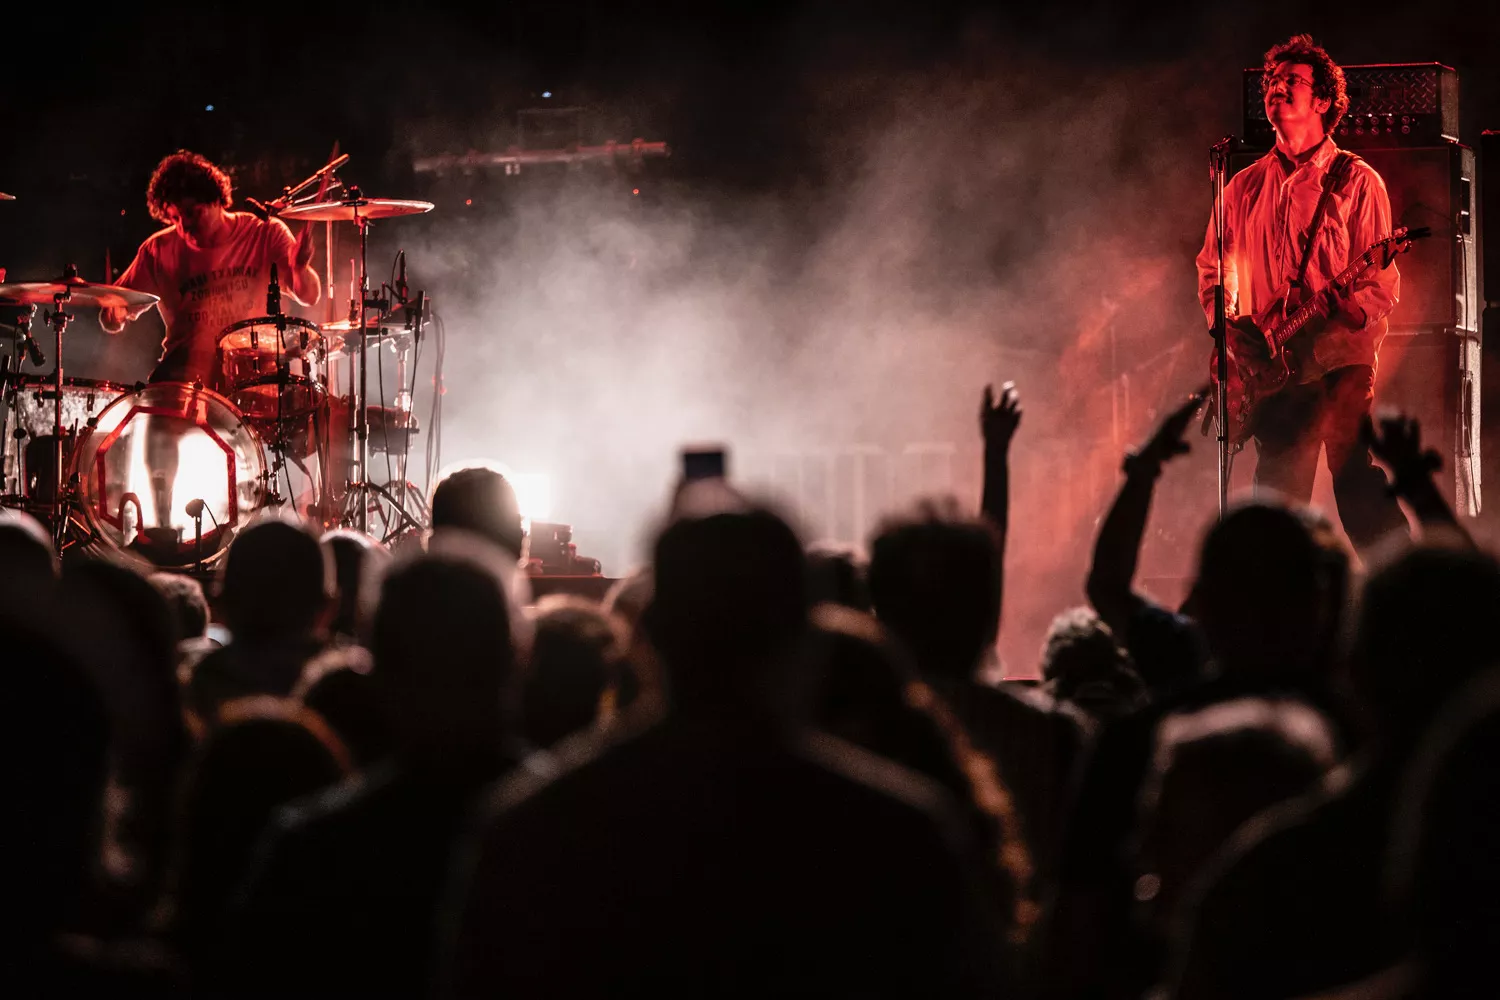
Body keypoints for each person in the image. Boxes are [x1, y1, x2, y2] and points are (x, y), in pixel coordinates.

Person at [1197, 34, 1407, 551]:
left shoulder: (1358, 182)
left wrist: (1351, 309)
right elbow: (1214, 269)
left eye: (1291, 80)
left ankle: (1402, 589)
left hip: (1339, 357)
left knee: (1351, 473)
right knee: (1276, 498)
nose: (1276, 89)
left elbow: (1383, 281)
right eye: (1272, 81)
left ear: (1323, 101)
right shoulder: (1241, 186)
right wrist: (1229, 330)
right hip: (1273, 364)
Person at [100, 149, 321, 386]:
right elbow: (111, 315)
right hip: (183, 380)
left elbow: (309, 295)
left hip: (252, 375)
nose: (185, 227)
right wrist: (115, 312)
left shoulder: (264, 233)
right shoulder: (157, 250)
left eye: (193, 213)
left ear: (217, 200)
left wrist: (299, 268)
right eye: (175, 218)